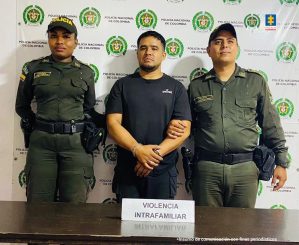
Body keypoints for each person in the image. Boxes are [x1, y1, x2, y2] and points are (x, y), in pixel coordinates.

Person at [168, 23, 288, 208]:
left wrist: (281, 163)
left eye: (230, 41)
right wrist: (174, 126)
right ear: (209, 50)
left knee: (242, 230)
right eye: (218, 41)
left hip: (245, 169)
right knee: (207, 229)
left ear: (237, 48)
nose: (224, 45)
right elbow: (186, 126)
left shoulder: (255, 82)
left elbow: (271, 125)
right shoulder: (197, 86)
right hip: (207, 169)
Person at [15, 16, 105, 203]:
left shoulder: (85, 72)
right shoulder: (33, 68)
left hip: (75, 145)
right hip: (42, 145)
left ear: (76, 41)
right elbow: (22, 106)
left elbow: (88, 108)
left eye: (66, 36)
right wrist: (40, 125)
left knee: (74, 207)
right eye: (53, 36)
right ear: (48, 39)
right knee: (37, 206)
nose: (59, 41)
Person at [106, 31, 191, 202]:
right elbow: (113, 124)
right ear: (137, 53)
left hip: (162, 172)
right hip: (128, 171)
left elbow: (184, 130)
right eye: (143, 48)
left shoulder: (176, 88)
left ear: (164, 54)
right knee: (125, 227)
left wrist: (151, 158)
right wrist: (137, 149)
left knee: (160, 229)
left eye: (154, 48)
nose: (148, 52)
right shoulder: (122, 85)